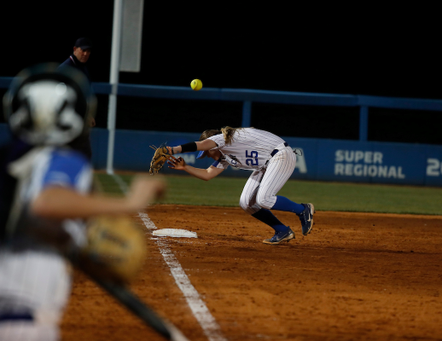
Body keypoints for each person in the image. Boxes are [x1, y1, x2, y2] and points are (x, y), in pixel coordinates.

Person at [0, 63, 165, 341]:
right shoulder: (62, 158)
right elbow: (46, 202)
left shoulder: (7, 157)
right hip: (21, 303)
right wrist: (129, 203)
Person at [165, 126, 315, 245]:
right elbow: (208, 174)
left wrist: (174, 150)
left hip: (280, 155)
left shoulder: (224, 139)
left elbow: (202, 144)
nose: (208, 156)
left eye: (207, 153)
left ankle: (303, 209)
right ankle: (282, 230)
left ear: (212, 146)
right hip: (266, 164)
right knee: (246, 203)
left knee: (264, 199)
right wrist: (185, 167)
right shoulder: (224, 154)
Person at [58, 37, 95, 160]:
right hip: (66, 123)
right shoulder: (65, 69)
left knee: (84, 156)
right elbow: (62, 98)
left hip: (80, 122)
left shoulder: (82, 68)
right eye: (83, 50)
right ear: (75, 49)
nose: (85, 54)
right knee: (72, 156)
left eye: (88, 51)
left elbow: (83, 94)